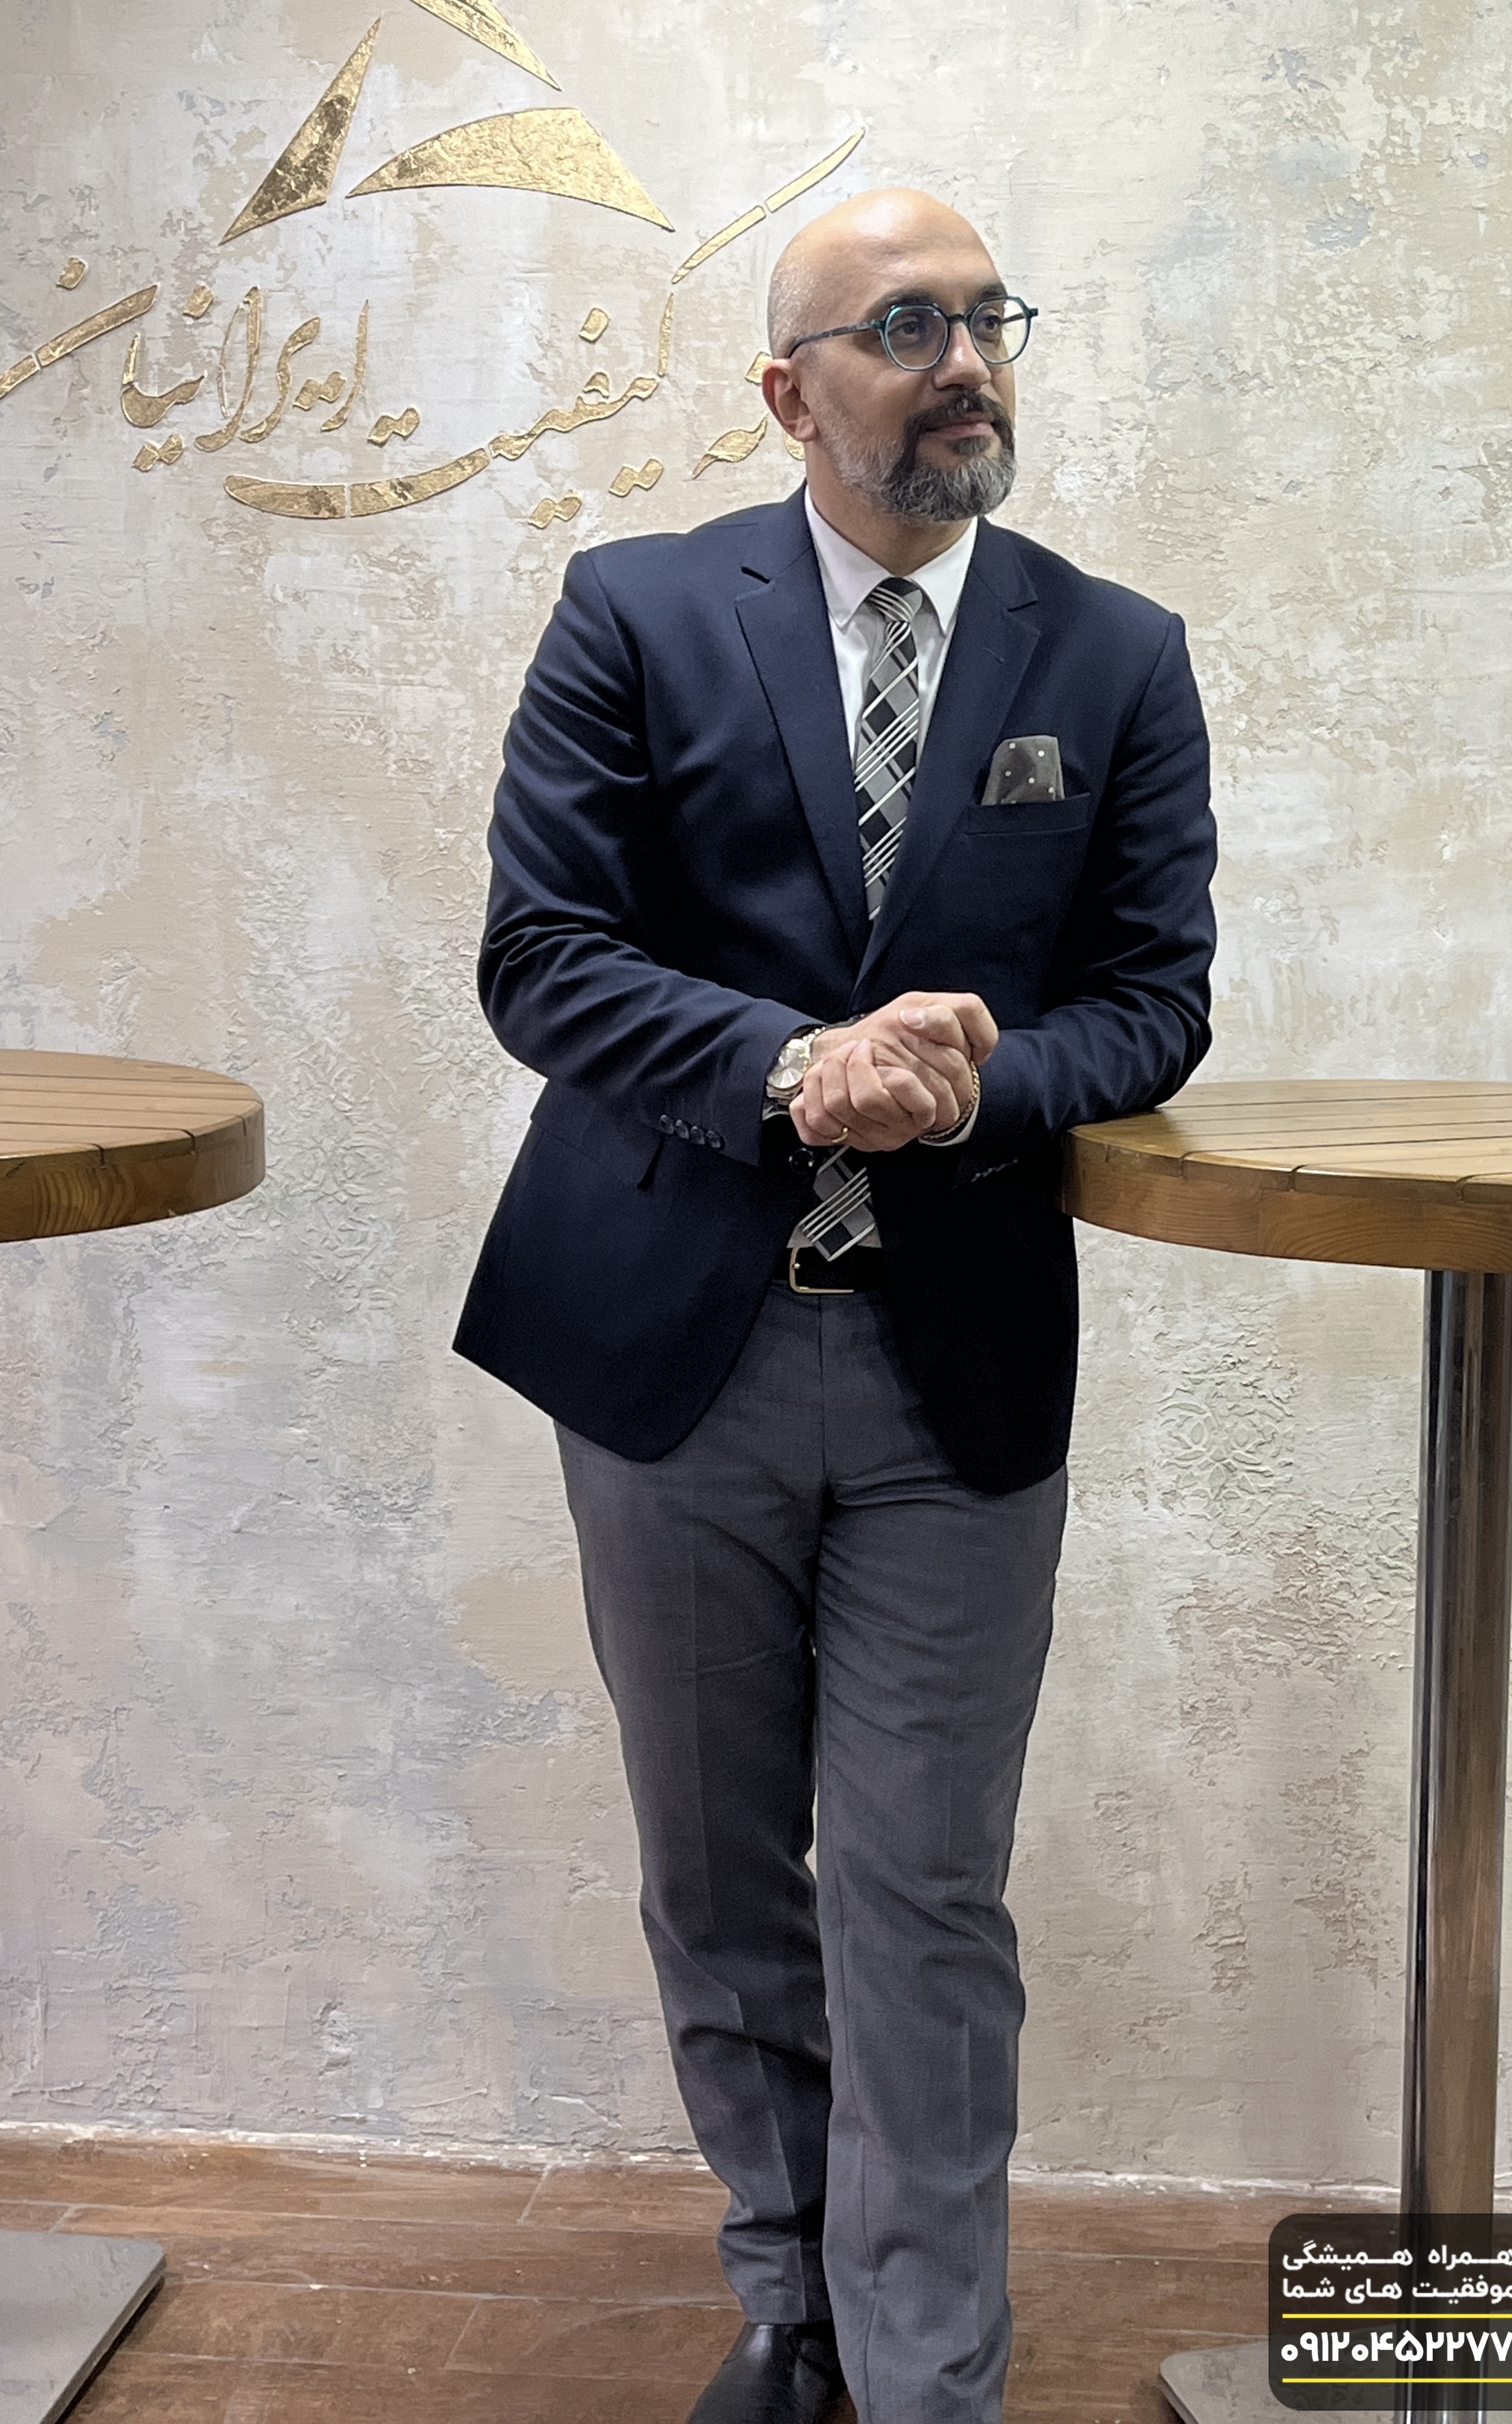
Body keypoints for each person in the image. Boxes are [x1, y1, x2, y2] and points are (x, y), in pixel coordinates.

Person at [456, 186, 1217, 2424]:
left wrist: (971, 1083)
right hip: (666, 1351)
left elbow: (1153, 1002)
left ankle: (924, 2375)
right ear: (792, 393)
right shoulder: (635, 611)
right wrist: (796, 1066)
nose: (966, 358)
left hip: (950, 1366)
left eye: (990, 316)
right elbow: (543, 955)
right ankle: (790, 2302)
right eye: (907, 324)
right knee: (718, 1876)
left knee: (924, 1890)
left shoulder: (1116, 655)